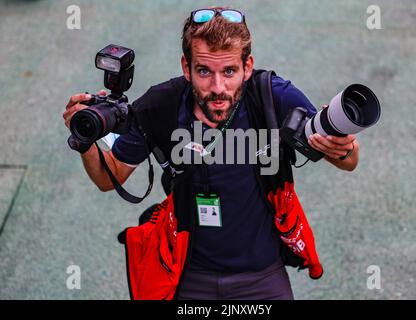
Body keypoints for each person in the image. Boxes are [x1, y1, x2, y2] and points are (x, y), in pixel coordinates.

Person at [63, 7, 359, 300]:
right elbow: (108, 177)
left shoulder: (274, 96)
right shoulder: (159, 105)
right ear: (186, 67)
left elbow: (348, 161)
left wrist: (345, 148)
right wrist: (84, 141)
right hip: (188, 272)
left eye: (229, 71)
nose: (218, 88)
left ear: (247, 66)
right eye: (204, 71)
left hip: (262, 273)